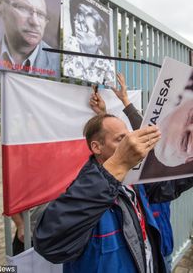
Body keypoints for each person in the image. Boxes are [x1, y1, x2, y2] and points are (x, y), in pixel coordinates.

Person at [33, 74, 193, 272]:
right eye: (121, 139)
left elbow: (166, 187)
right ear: (96, 147)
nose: (130, 142)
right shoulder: (86, 191)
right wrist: (117, 164)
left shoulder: (134, 181)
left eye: (128, 136)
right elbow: (50, 242)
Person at [90, 73, 173, 272]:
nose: (132, 141)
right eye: (124, 139)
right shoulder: (121, 181)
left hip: (162, 250)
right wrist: (106, 112)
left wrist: (125, 101)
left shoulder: (157, 171)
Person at [64, 3, 115, 85]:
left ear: (98, 40)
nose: (77, 27)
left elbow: (111, 91)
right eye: (78, 22)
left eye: (85, 27)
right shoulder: (68, 44)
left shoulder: (106, 66)